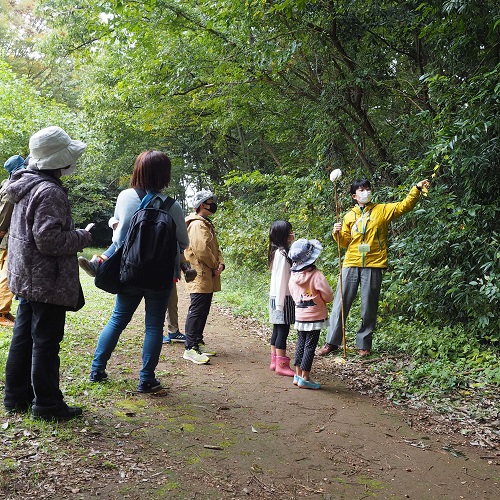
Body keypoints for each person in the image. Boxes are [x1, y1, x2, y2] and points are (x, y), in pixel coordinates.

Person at [3, 126, 92, 420]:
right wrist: (82, 236)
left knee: (24, 336)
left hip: (26, 275)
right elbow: (49, 240)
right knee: (46, 340)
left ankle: (16, 397)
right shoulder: (49, 191)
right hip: (46, 280)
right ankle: (47, 405)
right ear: (59, 160)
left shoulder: (24, 184)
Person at [88, 150, 189, 393]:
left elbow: (120, 238)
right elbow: (183, 242)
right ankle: (146, 379)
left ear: (138, 170)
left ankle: (97, 368)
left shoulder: (125, 197)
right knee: (153, 326)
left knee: (118, 319)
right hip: (161, 276)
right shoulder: (172, 206)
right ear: (165, 174)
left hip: (130, 271)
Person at [317, 178, 430, 358]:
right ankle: (332, 342)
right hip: (351, 262)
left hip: (374, 263)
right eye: (361, 190)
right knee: (341, 303)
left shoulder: (382, 210)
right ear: (354, 196)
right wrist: (336, 233)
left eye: (367, 189)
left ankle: (364, 344)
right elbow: (345, 243)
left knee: (369, 305)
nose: (365, 192)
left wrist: (416, 189)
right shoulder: (348, 216)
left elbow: (404, 206)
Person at [183, 189, 224, 364]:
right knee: (197, 310)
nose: (212, 205)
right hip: (200, 273)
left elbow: (215, 248)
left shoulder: (206, 223)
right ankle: (190, 348)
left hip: (208, 274)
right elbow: (200, 250)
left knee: (204, 309)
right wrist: (215, 264)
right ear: (201, 205)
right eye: (209, 202)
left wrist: (220, 263)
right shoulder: (197, 224)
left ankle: (198, 342)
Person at [288, 239, 333, 389]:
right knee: (310, 346)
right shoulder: (317, 275)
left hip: (300, 315)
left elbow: (293, 294)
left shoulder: (293, 275)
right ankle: (305, 378)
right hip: (315, 317)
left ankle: (298, 374)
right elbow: (328, 296)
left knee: (300, 344)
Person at [0, 155, 26, 327]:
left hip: (7, 236)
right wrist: (1, 231)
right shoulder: (12, 186)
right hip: (8, 237)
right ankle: (0, 312)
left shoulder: (6, 183)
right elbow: (5, 215)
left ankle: (4, 311)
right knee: (8, 273)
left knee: (5, 271)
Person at [268, 220, 295, 376]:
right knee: (282, 331)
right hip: (282, 298)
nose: (292, 234)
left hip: (277, 297)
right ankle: (281, 364)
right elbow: (283, 280)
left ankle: (274, 361)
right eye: (290, 231)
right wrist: (280, 305)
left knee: (277, 330)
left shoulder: (277, 252)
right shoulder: (283, 254)